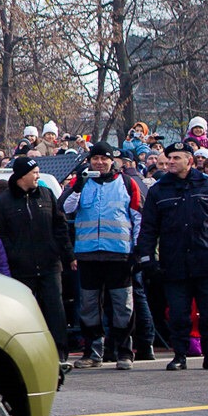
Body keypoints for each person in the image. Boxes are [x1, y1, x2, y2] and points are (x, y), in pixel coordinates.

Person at [133, 141, 208, 371]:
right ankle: (179, 355)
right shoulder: (159, 190)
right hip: (175, 262)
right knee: (179, 314)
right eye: (168, 158)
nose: (171, 162)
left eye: (176, 158)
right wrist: (147, 259)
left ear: (189, 160)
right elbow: (149, 228)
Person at [62, 141, 142, 369]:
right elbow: (65, 208)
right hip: (88, 256)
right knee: (88, 306)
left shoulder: (127, 183)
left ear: (112, 161)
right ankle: (92, 352)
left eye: (104, 159)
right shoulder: (82, 182)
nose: (99, 162)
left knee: (122, 305)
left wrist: (137, 250)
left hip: (119, 255)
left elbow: (138, 217)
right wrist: (78, 185)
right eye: (95, 158)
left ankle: (124, 352)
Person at [0, 155, 72, 360]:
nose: (37, 176)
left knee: (55, 310)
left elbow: (60, 226)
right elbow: (2, 235)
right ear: (21, 176)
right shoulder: (2, 202)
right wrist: (13, 254)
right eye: (33, 172)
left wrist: (67, 254)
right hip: (21, 267)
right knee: (22, 313)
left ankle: (60, 352)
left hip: (49, 264)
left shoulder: (46, 195)